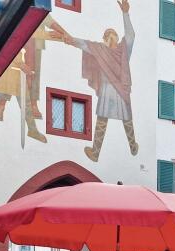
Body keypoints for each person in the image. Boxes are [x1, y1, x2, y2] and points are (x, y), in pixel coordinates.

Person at [48, 0, 137, 161]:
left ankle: (132, 146)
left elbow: (130, 36)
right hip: (107, 88)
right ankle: (96, 153)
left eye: (113, 35)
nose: (112, 37)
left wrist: (125, 14)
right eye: (108, 35)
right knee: (103, 118)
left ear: (116, 37)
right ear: (105, 39)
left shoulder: (123, 49)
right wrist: (66, 38)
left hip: (119, 88)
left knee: (126, 119)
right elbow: (83, 44)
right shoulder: (100, 49)